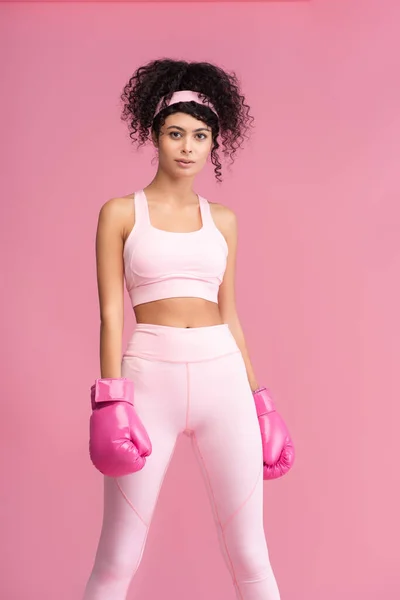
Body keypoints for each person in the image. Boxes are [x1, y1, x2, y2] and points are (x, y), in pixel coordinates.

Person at [83, 58, 282, 600]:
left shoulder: (224, 220)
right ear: (154, 134)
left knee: (250, 552)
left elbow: (231, 311)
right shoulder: (120, 213)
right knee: (118, 555)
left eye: (200, 135)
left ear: (215, 142)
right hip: (149, 378)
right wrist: (111, 400)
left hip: (223, 378)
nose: (188, 147)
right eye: (176, 133)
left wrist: (259, 399)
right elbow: (109, 314)